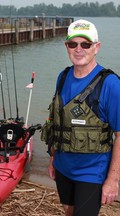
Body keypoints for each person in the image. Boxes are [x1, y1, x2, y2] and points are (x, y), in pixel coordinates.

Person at [42, 19, 120, 216]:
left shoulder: (110, 84)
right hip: (62, 166)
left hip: (92, 172)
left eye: (85, 44)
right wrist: (53, 158)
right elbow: (58, 121)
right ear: (66, 46)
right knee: (69, 212)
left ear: (96, 47)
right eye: (73, 44)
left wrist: (113, 180)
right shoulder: (63, 76)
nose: (79, 49)